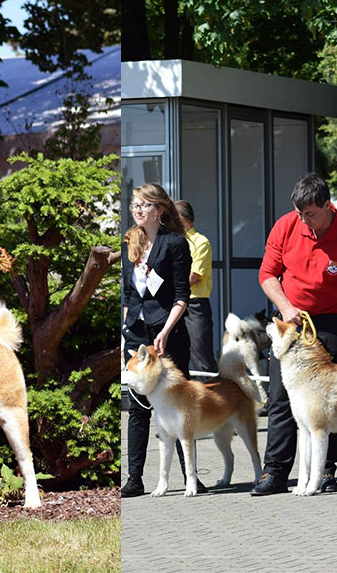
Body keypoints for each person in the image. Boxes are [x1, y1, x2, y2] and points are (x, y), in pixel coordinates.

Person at [251, 174, 337, 496]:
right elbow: (267, 274)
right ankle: (275, 472)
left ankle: (325, 471)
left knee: (328, 400)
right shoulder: (286, 226)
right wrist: (285, 306)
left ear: (328, 206)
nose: (303, 220)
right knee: (282, 397)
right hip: (292, 322)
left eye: (310, 213)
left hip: (331, 322)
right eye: (299, 213)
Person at [121, 184, 196, 498]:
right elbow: (127, 294)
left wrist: (165, 331)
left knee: (177, 407)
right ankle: (134, 479)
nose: (138, 210)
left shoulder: (175, 243)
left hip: (169, 333)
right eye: (135, 204)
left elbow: (182, 295)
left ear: (160, 210)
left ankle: (190, 478)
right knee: (138, 407)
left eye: (145, 205)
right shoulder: (130, 241)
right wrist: (124, 330)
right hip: (137, 332)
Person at [175, 200, 217, 374]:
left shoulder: (200, 242)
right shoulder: (172, 241)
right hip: (174, 303)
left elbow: (194, 276)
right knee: (175, 355)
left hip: (194, 304)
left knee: (201, 356)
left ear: (181, 218)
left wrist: (174, 278)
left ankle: (213, 398)